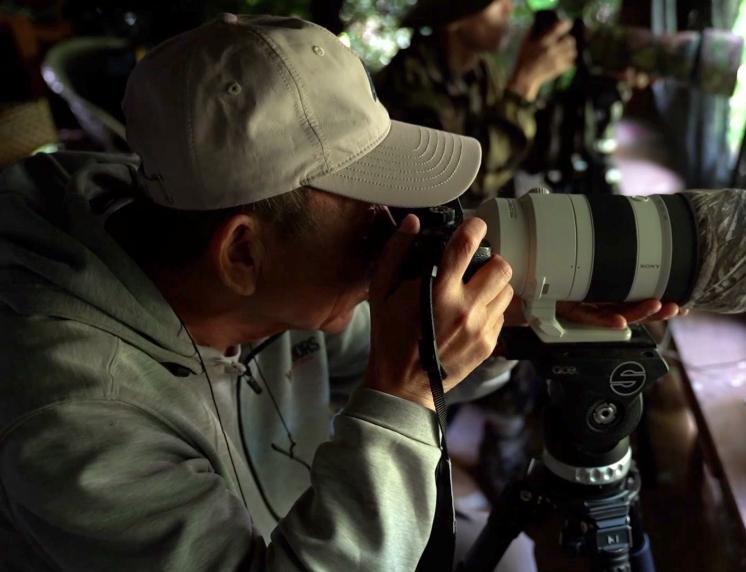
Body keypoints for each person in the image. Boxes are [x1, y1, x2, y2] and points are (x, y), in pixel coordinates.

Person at [0, 13, 679, 571]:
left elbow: (382, 351)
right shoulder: (71, 418)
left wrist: (513, 321)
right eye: (372, 211)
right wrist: (404, 392)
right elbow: (394, 387)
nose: (400, 228)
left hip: (305, 512)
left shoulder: (248, 283)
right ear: (242, 253)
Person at [374, 0, 577, 208]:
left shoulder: (484, 74)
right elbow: (458, 186)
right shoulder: (409, 79)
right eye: (494, 2)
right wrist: (524, 84)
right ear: (455, 17)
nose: (509, 7)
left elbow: (523, 161)